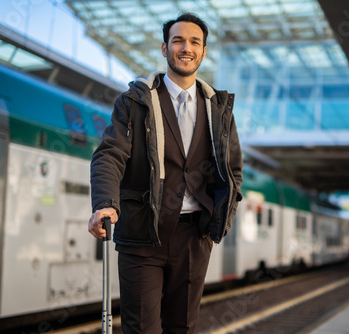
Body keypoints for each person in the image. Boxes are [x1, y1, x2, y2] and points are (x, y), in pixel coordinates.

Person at [88, 12, 243, 334]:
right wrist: (105, 202)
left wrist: (221, 217)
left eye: (194, 42)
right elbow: (111, 153)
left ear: (203, 51)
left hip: (193, 236)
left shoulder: (218, 109)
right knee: (142, 328)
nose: (186, 48)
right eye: (178, 40)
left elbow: (233, 170)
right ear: (164, 48)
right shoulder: (135, 101)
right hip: (142, 232)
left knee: (182, 327)